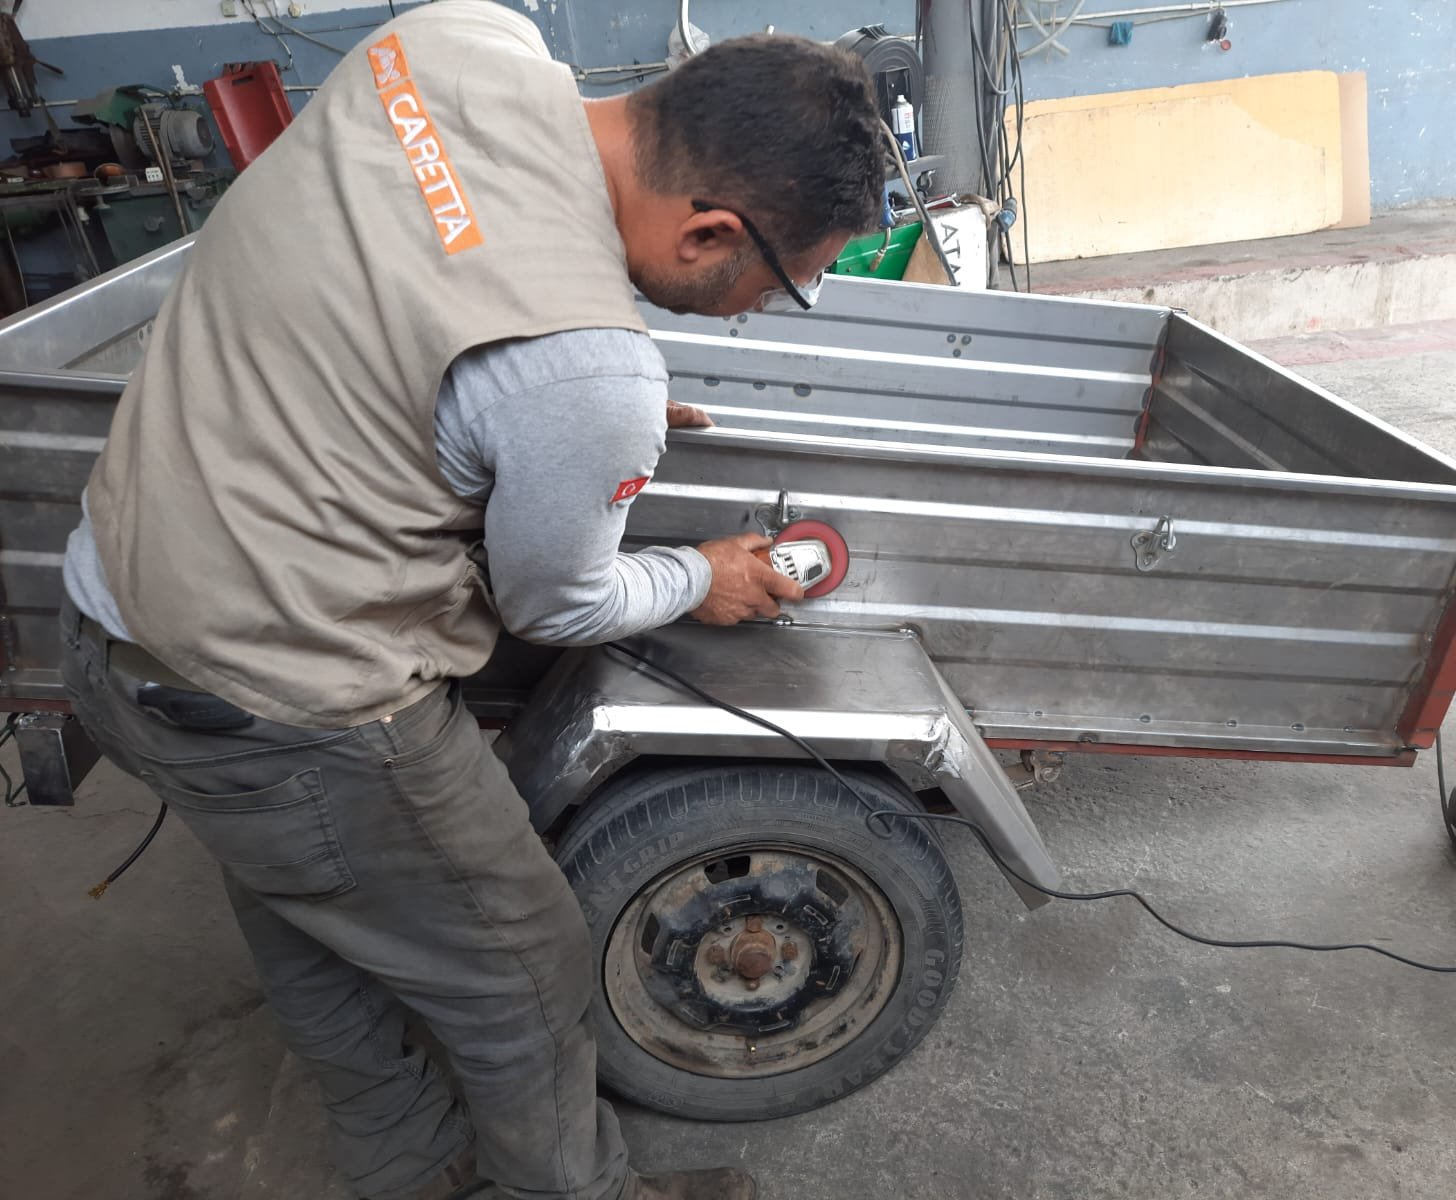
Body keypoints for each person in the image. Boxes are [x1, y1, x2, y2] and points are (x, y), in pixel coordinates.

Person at [57, 3, 883, 1198]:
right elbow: (559, 605)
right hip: (293, 707)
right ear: (709, 230)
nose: (764, 306)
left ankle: (404, 1166)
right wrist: (701, 570)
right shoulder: (582, 370)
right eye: (780, 282)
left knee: (312, 916)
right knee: (524, 972)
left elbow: (401, 281)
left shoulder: (451, 40)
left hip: (116, 616)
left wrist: (547, 423)